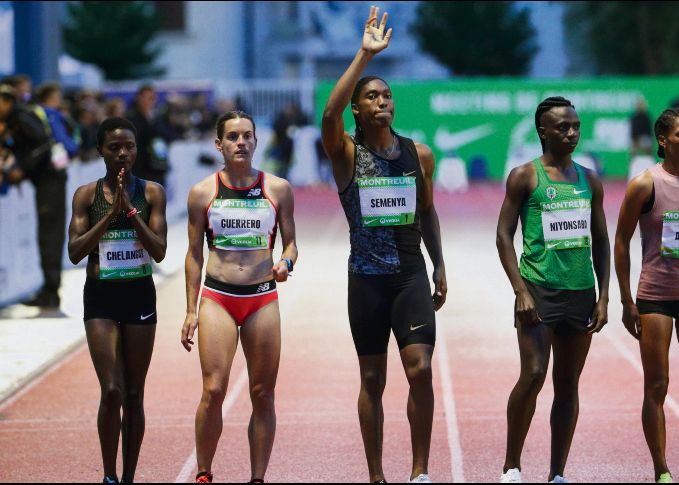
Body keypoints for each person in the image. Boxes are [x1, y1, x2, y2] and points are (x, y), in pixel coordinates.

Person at [321, 7, 447, 483]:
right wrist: (364, 54)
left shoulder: (420, 154)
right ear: (359, 108)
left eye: (387, 94)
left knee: (420, 369)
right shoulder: (347, 152)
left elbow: (428, 211)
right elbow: (329, 113)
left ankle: (419, 472)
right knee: (373, 379)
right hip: (367, 280)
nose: (382, 101)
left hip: (411, 276)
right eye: (371, 96)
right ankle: (376, 475)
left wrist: (440, 265)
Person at [495, 96, 610, 484]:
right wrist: (520, 291)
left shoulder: (589, 179)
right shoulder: (525, 176)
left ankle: (557, 472)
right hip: (539, 290)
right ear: (543, 131)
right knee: (533, 373)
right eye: (563, 127)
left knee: (567, 384)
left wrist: (604, 296)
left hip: (580, 292)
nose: (572, 132)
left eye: (576, 126)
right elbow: (502, 237)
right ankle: (512, 464)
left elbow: (602, 240)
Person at [181, 110, 297, 484]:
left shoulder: (277, 189)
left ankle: (258, 477)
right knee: (214, 390)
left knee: (263, 393)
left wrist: (285, 262)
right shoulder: (203, 192)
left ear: (256, 141)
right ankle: (204, 473)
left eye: (247, 136)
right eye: (232, 137)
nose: (241, 142)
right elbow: (195, 254)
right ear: (219, 144)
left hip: (263, 297)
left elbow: (292, 243)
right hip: (218, 298)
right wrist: (189, 310)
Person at [615, 108, 679, 484]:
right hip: (655, 297)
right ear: (663, 140)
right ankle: (661, 470)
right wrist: (627, 301)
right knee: (657, 385)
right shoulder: (645, 184)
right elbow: (621, 242)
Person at [67, 117, 168, 483]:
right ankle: (109, 476)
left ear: (137, 150)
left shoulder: (152, 193)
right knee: (111, 390)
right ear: (100, 152)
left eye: (129, 146)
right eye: (114, 147)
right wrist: (109, 214)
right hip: (101, 300)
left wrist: (130, 214)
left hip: (140, 294)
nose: (123, 153)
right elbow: (75, 252)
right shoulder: (85, 195)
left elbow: (159, 252)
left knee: (134, 393)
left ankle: (128, 477)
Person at [0, 83, 66, 308]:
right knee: (48, 234)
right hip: (48, 180)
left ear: (7, 101)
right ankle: (49, 289)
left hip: (51, 181)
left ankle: (51, 291)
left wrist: (22, 169)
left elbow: (43, 145)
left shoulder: (21, 117)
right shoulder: (16, 118)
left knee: (49, 235)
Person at [127, 84, 171, 187]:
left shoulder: (159, 118)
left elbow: (168, 135)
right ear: (139, 98)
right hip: (139, 169)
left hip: (158, 167)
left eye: (153, 98)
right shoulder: (131, 118)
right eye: (149, 98)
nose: (151, 101)